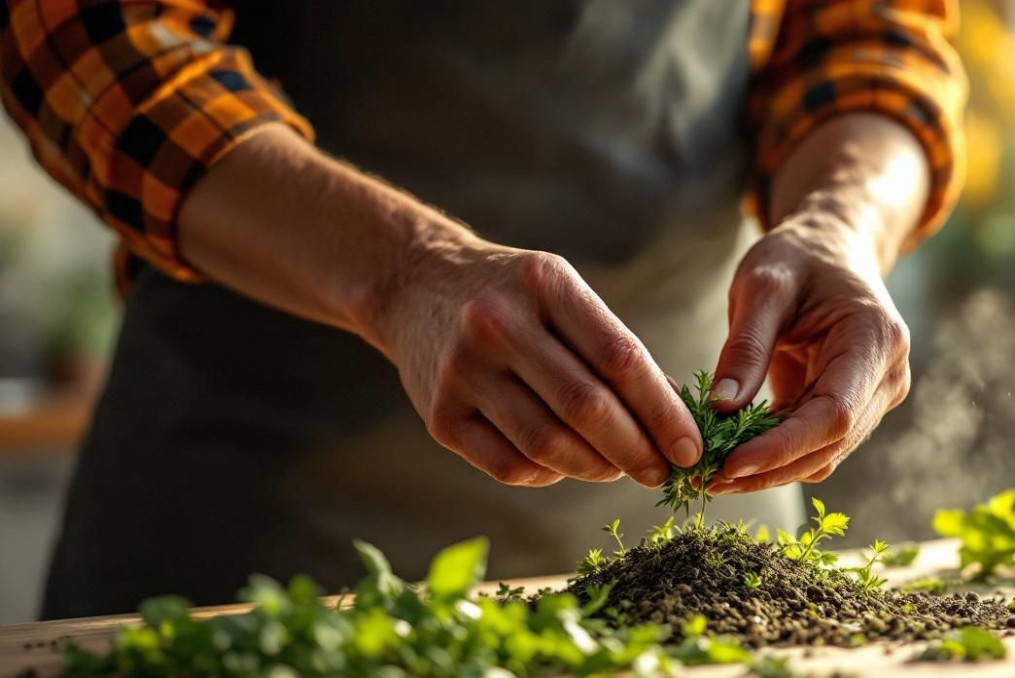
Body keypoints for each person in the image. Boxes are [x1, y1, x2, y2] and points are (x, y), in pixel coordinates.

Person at [0, 1, 965, 618]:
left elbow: (875, 36)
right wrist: (406, 273)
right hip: (267, 532)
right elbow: (89, 34)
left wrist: (843, 221)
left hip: (708, 562)